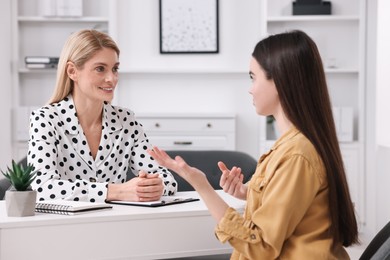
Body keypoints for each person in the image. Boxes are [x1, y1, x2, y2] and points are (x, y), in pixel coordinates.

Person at [148, 30, 359, 259]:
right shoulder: (292, 147)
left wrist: (202, 186)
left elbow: (260, 246)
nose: (250, 88)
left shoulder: (297, 154)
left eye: (253, 77)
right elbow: (293, 205)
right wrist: (248, 192)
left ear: (279, 80)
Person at [27, 29, 177, 203]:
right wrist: (117, 191)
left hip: (116, 224)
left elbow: (167, 181)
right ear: (72, 71)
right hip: (64, 227)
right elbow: (41, 187)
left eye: (115, 69)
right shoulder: (45, 120)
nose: (111, 79)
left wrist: (155, 187)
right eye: (100, 69)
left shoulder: (126, 120)